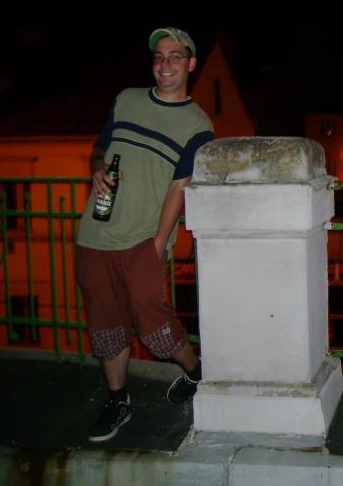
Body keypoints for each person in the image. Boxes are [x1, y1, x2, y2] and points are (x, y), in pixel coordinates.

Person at [75, 27, 214, 443]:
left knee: (152, 320)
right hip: (95, 233)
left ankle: (195, 371)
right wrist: (97, 167)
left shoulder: (198, 125)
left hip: (143, 238)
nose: (165, 64)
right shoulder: (127, 100)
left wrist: (158, 243)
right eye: (158, 57)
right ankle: (118, 399)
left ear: (191, 64)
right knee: (105, 323)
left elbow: (179, 187)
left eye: (175, 56)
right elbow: (99, 148)